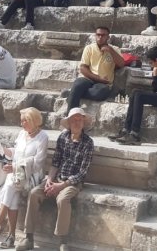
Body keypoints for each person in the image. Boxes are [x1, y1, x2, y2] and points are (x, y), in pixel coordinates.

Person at [20, 107, 93, 251]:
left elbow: (82, 173)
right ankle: (28, 237)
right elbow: (56, 162)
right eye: (74, 120)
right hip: (57, 178)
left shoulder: (88, 143)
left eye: (80, 120)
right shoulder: (63, 137)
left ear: (83, 123)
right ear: (69, 122)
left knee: (62, 199)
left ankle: (62, 241)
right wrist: (49, 179)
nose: (77, 123)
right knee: (34, 193)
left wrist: (61, 185)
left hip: (73, 182)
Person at [0, 108, 49, 248]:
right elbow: (16, 153)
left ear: (33, 121)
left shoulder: (43, 137)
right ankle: (10, 236)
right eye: (21, 121)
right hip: (17, 175)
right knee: (11, 188)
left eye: (25, 121)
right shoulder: (22, 134)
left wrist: (15, 168)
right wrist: (5, 150)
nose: (22, 124)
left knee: (10, 185)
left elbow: (38, 163)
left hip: (32, 177)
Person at [66, 26, 124, 110]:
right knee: (78, 84)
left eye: (103, 35)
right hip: (88, 79)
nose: (100, 37)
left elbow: (121, 64)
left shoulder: (115, 49)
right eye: (98, 35)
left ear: (108, 37)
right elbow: (83, 68)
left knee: (99, 93)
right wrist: (99, 78)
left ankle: (73, 93)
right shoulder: (89, 48)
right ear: (95, 35)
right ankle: (71, 114)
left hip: (104, 84)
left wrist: (110, 50)